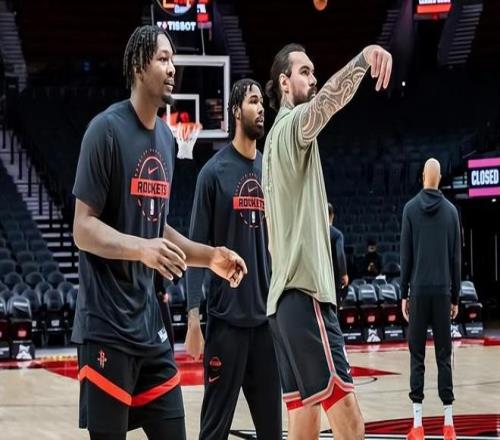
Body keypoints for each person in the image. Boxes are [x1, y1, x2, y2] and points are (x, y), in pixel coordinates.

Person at [71, 25, 247, 440]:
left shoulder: (167, 139)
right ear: (138, 65)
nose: (173, 68)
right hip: (106, 325)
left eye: (173, 60)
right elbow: (83, 227)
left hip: (150, 327)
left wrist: (210, 257)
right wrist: (142, 250)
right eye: (163, 59)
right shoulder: (104, 130)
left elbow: (156, 227)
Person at [262, 42, 392, 439]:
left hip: (282, 306)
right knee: (350, 422)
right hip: (305, 296)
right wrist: (363, 59)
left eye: (313, 71)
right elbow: (326, 103)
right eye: (304, 71)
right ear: (284, 82)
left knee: (304, 423)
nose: (313, 78)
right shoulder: (291, 126)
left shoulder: (271, 144)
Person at [185, 78, 282, 440]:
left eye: (262, 103)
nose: (261, 109)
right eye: (254, 101)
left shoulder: (271, 171)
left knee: (272, 431)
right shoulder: (213, 173)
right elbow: (195, 247)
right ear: (236, 111)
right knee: (214, 431)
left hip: (266, 325)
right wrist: (193, 317)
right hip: (225, 324)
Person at [400, 158, 461, 440]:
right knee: (444, 356)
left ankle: (417, 425)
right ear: (440, 177)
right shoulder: (452, 212)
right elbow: (456, 259)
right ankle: (448, 424)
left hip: (419, 292)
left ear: (423, 175)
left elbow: (406, 257)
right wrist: (455, 296)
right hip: (443, 293)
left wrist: (403, 293)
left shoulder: (409, 209)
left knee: (417, 356)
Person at [328, 202, 348, 304]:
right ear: (332, 215)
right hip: (333, 280)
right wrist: (343, 273)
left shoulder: (314, 235)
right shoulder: (337, 234)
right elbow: (339, 254)